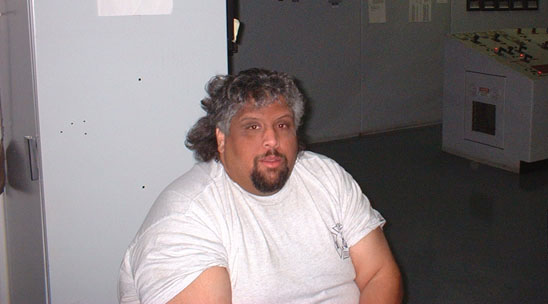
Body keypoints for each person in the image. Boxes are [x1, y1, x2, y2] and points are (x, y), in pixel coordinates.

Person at [119, 68, 403, 304]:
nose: (272, 140)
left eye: (282, 125)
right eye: (253, 127)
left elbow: (379, 273)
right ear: (221, 139)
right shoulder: (184, 217)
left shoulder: (326, 176)